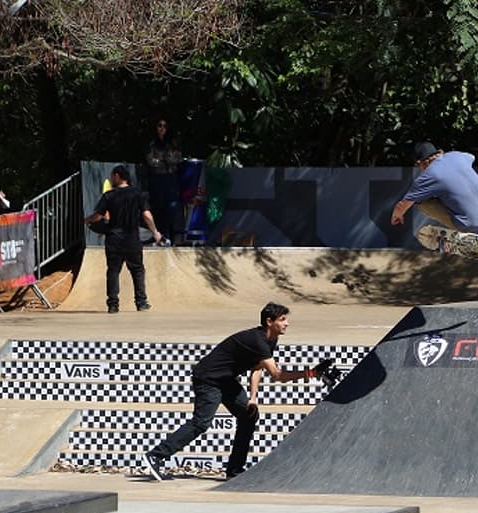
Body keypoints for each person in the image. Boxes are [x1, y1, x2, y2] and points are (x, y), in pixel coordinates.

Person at [142, 302, 335, 481]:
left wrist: (252, 398)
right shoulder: (258, 340)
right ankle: (156, 456)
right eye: (282, 319)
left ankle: (234, 470)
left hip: (226, 380)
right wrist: (312, 373)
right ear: (269, 321)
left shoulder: (270, 340)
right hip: (208, 379)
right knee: (201, 423)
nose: (287, 323)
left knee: (249, 415)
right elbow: (277, 375)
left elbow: (257, 368)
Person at [84, 165, 163, 313]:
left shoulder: (109, 195)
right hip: (132, 238)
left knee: (113, 271)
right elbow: (146, 215)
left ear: (118, 176)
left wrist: (87, 220)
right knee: (137, 270)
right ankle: (141, 302)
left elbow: (98, 216)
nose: (111, 179)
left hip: (114, 239)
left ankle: (113, 305)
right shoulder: (138, 194)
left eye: (112, 176)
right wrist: (155, 232)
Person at [391, 142, 478, 233]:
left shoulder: (428, 175)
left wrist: (397, 215)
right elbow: (471, 156)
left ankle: (464, 230)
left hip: (468, 223)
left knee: (421, 202)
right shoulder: (457, 156)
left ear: (421, 163)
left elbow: (402, 205)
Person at [145, 117, 182, 243]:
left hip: (170, 178)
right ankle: (157, 234)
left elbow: (177, 159)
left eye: (164, 126)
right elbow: (151, 160)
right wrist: (164, 160)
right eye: (159, 125)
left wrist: (164, 159)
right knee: (157, 206)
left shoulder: (172, 143)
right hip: (157, 177)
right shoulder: (152, 143)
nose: (162, 129)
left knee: (170, 207)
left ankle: (168, 234)